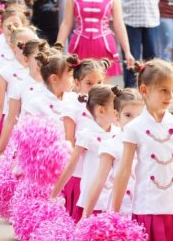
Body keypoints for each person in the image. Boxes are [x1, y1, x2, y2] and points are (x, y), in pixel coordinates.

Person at [110, 59, 173, 240]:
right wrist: (114, 212)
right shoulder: (134, 128)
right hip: (147, 207)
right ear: (144, 90)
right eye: (164, 90)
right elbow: (124, 171)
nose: (170, 96)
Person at [50, 84, 121, 222]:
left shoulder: (118, 133)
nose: (119, 111)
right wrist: (54, 194)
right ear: (101, 110)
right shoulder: (87, 135)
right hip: (91, 200)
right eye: (116, 107)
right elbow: (71, 166)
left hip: (111, 198)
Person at [55, 0, 134, 82]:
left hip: (104, 47)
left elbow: (119, 24)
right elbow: (66, 23)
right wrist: (57, 48)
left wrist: (127, 52)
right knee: (78, 87)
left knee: (103, 91)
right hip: (79, 46)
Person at [82, 88, 144, 219]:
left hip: (145, 209)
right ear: (117, 115)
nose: (134, 121)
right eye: (128, 115)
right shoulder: (111, 145)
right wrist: (85, 215)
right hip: (121, 212)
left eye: (139, 116)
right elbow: (99, 180)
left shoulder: (148, 143)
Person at [60, 59, 110, 219]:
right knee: (76, 215)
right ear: (77, 83)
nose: (95, 87)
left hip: (100, 167)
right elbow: (69, 139)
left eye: (99, 82)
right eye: (89, 83)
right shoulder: (72, 107)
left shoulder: (108, 107)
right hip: (79, 170)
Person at [0, 39, 56, 159]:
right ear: (26, 59)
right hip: (27, 142)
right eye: (37, 58)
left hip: (51, 142)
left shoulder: (54, 84)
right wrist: (0, 150)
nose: (41, 63)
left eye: (45, 58)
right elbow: (11, 119)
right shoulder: (20, 86)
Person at [114, 0, 162, 88]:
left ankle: (150, 88)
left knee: (151, 60)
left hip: (151, 19)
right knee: (131, 59)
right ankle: (130, 91)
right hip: (130, 20)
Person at [0, 26, 36, 139]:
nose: (26, 50)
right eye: (22, 46)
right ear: (12, 47)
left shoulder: (39, 69)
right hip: (11, 122)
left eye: (30, 45)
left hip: (33, 124)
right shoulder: (5, 72)